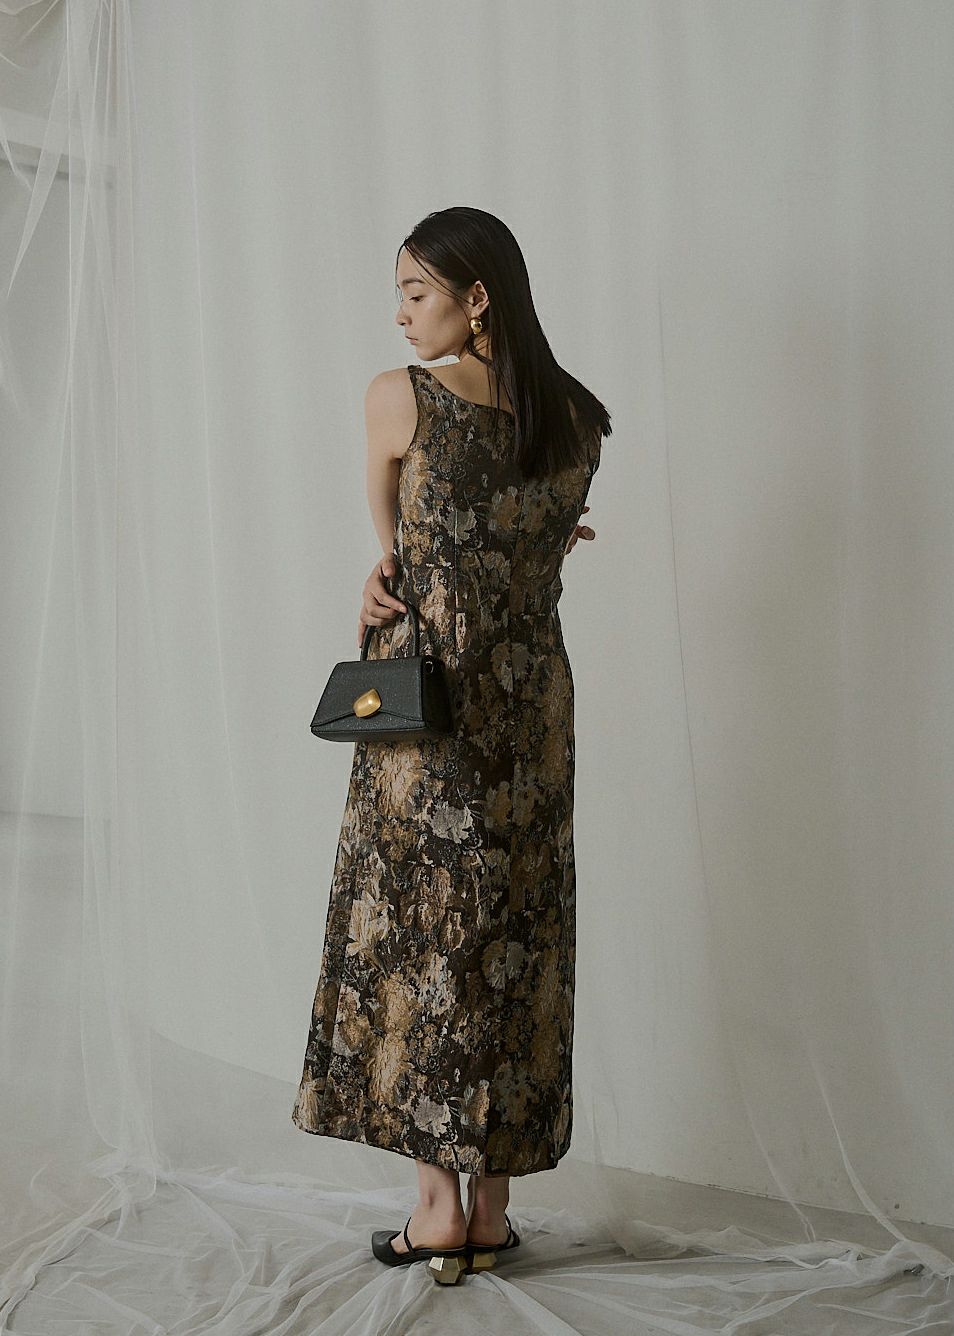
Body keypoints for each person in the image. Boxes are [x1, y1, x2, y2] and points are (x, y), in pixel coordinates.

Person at [291, 206, 611, 1284]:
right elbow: (530, 540)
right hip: (533, 706)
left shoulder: (402, 398)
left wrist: (387, 576)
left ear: (477, 298)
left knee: (425, 934)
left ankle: (436, 1208)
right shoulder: (577, 417)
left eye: (415, 291)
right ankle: (493, 1209)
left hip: (430, 706)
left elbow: (397, 554)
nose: (400, 313)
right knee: (518, 930)